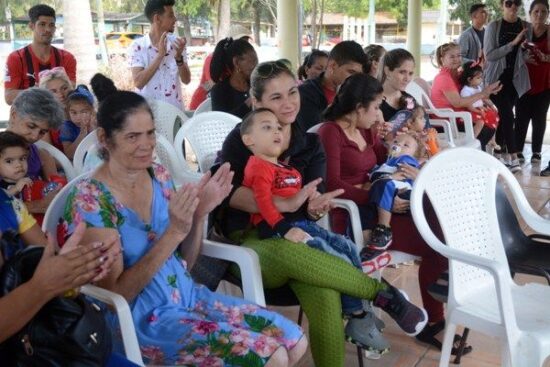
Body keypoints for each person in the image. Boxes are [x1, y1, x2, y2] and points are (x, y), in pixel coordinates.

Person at [61, 90, 308, 366]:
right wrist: (175, 232)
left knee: (294, 340)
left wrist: (200, 213)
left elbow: (184, 265)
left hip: (188, 297)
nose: (147, 145)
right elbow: (114, 297)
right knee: (271, 356)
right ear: (105, 139)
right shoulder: (91, 199)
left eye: (150, 133)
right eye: (133, 136)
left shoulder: (159, 176)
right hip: (141, 321)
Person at [217, 61, 431, 367]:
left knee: (327, 292)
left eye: (292, 92)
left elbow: (310, 203)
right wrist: (287, 205)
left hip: (299, 234)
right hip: (251, 241)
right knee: (307, 256)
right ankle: (384, 296)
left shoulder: (309, 145)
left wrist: (311, 207)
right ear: (257, 102)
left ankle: (372, 306)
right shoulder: (243, 138)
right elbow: (227, 192)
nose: (288, 103)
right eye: (276, 98)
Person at [317, 72, 472, 356]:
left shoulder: (365, 130)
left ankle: (450, 275)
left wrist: (390, 147)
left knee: (437, 220)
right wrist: (377, 197)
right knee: (433, 241)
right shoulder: (330, 132)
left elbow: (383, 163)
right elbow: (333, 183)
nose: (379, 112)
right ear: (359, 107)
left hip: (384, 202)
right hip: (357, 215)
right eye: (375, 106)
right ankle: (437, 308)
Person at [484, 0, 533, 170]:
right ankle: (513, 157)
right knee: (507, 115)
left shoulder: (526, 26)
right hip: (497, 78)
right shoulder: (494, 26)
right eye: (509, 3)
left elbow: (523, 54)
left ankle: (497, 154)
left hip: (516, 78)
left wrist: (527, 54)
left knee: (506, 116)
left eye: (516, 3)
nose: (513, 6)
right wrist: (513, 43)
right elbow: (489, 55)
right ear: (501, 5)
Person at [431, 43, 501, 151]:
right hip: (448, 123)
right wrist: (483, 94)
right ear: (442, 60)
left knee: (491, 120)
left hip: (459, 117)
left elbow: (472, 90)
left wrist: (488, 93)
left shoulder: (457, 75)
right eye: (452, 56)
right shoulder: (443, 78)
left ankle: (474, 154)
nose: (456, 59)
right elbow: (457, 103)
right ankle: (470, 154)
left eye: (459, 55)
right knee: (485, 128)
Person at [4, 4, 76, 106]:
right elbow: (9, 97)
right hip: (28, 119)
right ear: (31, 26)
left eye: (51, 25)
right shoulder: (16, 58)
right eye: (42, 24)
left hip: (58, 118)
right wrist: (39, 92)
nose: (48, 29)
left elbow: (70, 89)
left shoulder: (67, 58)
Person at [7, 88, 65, 215]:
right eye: (31, 126)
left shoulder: (42, 156)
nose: (34, 136)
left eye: (42, 132)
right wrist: (36, 205)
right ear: (14, 114)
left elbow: (55, 198)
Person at [128, 0, 190, 110]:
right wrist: (160, 56)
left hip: (175, 114)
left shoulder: (177, 44)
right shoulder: (138, 46)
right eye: (171, 15)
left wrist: (179, 57)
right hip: (148, 117)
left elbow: (186, 80)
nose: (175, 19)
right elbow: (138, 83)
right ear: (157, 18)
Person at [297, 41, 366, 132]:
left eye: (358, 74)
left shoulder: (355, 93)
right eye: (351, 72)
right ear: (333, 66)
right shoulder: (306, 93)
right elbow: (313, 133)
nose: (354, 78)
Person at [515, 0, 550, 166]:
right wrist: (523, 57)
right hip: (524, 83)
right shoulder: (523, 31)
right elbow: (512, 53)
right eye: (536, 11)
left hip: (545, 83)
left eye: (543, 12)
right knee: (521, 118)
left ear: (548, 14)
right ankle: (518, 150)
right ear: (530, 13)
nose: (539, 15)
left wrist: (547, 58)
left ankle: (536, 152)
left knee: (539, 118)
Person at [189, 26, 252, 110]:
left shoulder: (242, 62)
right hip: (203, 107)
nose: (245, 46)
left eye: (247, 42)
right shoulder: (213, 59)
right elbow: (214, 84)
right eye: (242, 42)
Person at [209, 37, 258, 118]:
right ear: (237, 63)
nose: (256, 66)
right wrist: (248, 103)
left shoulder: (257, 84)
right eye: (253, 61)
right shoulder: (219, 91)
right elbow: (221, 121)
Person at [459, 61, 500, 148]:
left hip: (481, 109)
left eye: (481, 77)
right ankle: (472, 139)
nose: (481, 80)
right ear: (469, 79)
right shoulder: (465, 90)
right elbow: (467, 104)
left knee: (495, 118)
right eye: (478, 78)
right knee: (480, 122)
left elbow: (484, 98)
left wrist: (492, 106)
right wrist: (477, 110)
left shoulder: (478, 87)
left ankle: (492, 140)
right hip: (472, 111)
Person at [60, 85, 96, 160]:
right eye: (74, 113)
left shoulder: (97, 123)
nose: (78, 117)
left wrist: (93, 128)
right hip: (77, 164)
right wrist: (82, 134)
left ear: (92, 111)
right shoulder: (66, 127)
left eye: (83, 112)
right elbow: (69, 155)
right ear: (68, 112)